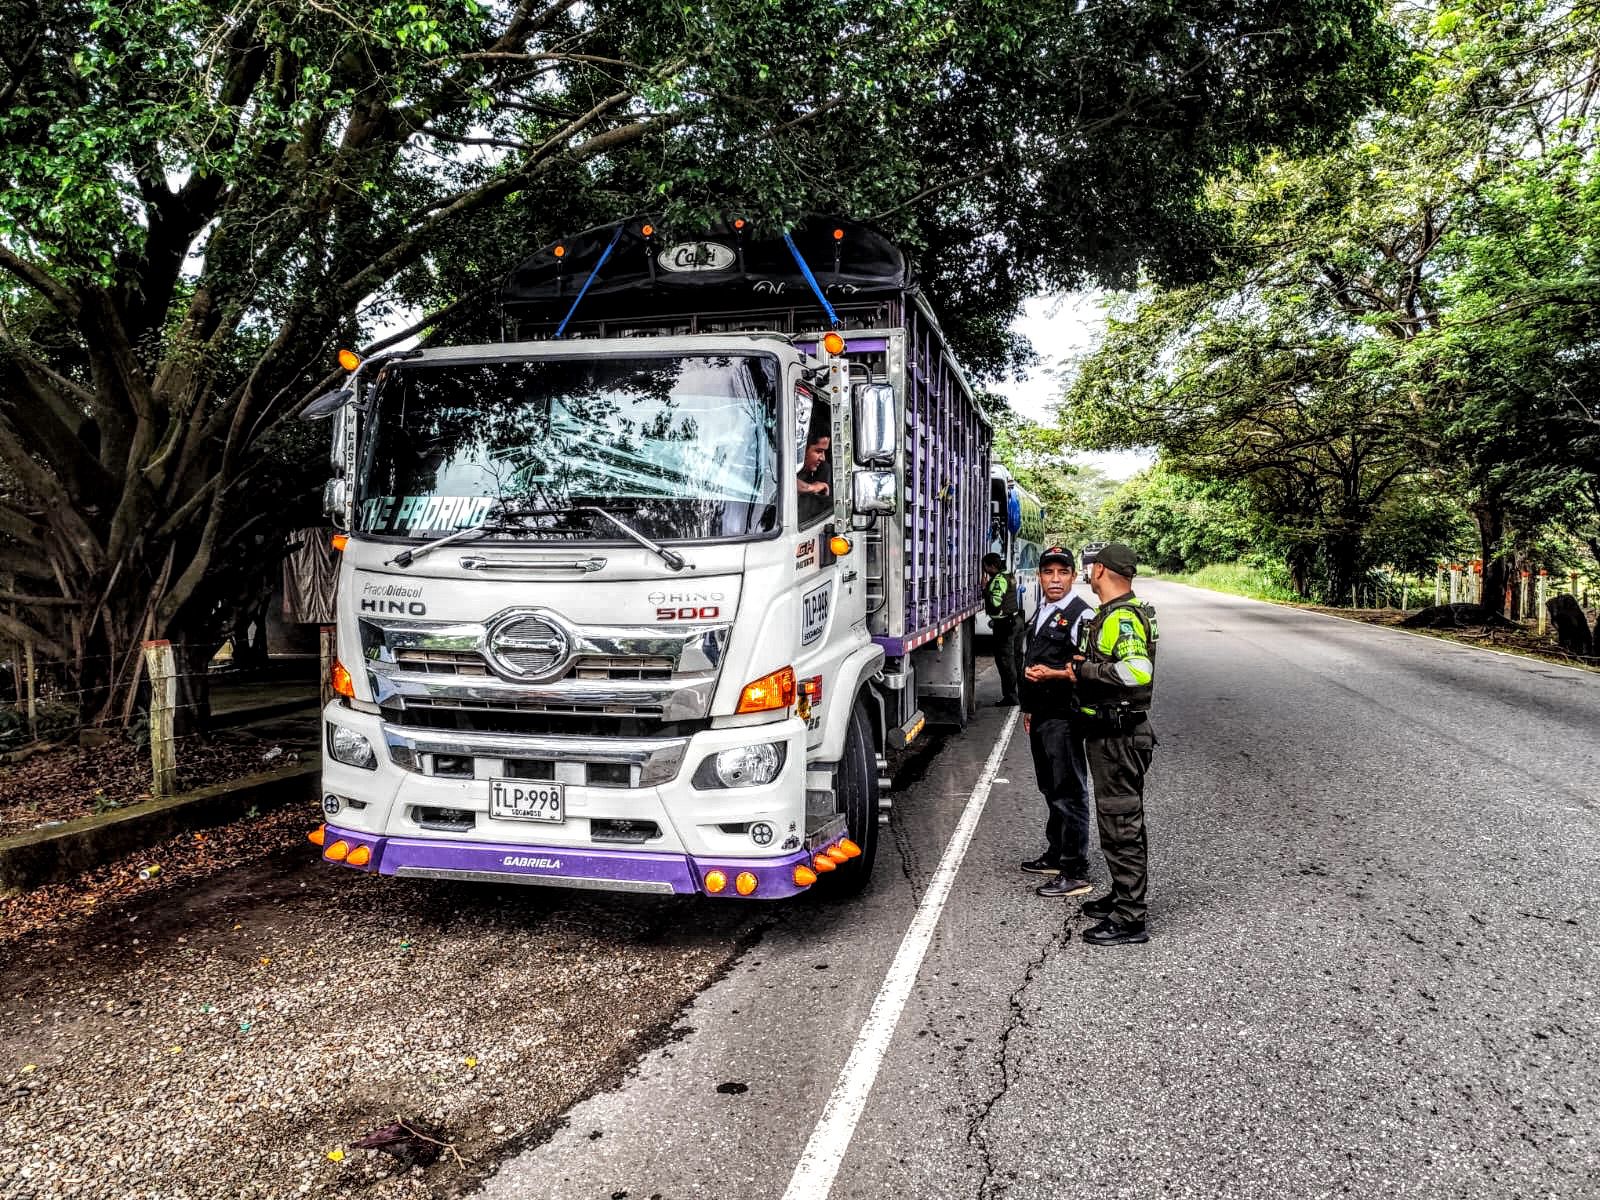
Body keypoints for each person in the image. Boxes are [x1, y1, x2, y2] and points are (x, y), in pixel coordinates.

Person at [1064, 541, 1158, 946]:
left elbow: (1138, 671)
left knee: (1121, 824)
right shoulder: (1115, 614)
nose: (1087, 573)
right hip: (1110, 734)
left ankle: (1130, 918)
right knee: (1117, 821)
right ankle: (1122, 896)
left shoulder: (1121, 618)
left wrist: (1087, 670)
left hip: (1119, 738)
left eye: (1090, 567)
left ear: (1101, 571)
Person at [1018, 546, 1096, 898]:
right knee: (1051, 789)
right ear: (1040, 577)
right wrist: (1029, 709)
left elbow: (1090, 670)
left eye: (1062, 572)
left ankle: (1075, 869)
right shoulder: (1044, 610)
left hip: (1065, 716)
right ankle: (1056, 854)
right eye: (1048, 572)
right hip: (1043, 714)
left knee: (1069, 791)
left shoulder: (1082, 615)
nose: (1054, 579)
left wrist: (1052, 673)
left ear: (1073, 576)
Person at [981, 552, 1024, 705]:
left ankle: (1011, 697)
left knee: (1005, 662)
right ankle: (1021, 692)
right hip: (1016, 620)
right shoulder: (1009, 575)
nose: (985, 570)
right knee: (1017, 659)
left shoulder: (999, 580)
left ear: (992, 566)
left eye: (986, 567)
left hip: (1005, 625)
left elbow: (996, 602)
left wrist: (985, 589)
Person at [796, 434, 831, 525]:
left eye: (824, 452)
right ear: (802, 449)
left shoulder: (824, 471)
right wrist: (811, 488)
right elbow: (782, 482)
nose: (823, 458)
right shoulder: (781, 468)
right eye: (818, 451)